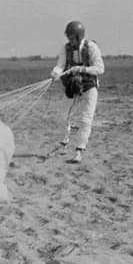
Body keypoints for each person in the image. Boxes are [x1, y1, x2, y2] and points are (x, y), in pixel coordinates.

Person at [50, 20, 105, 163]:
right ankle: (64, 142)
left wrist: (82, 69)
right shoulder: (65, 48)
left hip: (89, 87)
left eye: (71, 37)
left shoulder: (91, 47)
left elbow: (100, 68)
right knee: (63, 115)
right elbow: (60, 65)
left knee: (86, 119)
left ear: (79, 37)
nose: (69, 40)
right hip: (73, 86)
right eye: (68, 37)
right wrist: (55, 73)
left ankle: (79, 150)